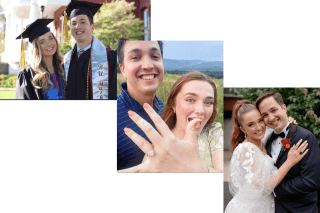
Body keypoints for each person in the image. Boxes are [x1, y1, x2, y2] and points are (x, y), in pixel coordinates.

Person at [225, 100, 308, 213]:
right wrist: (289, 162)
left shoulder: (264, 139)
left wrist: (288, 123)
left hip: (267, 206)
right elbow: (263, 188)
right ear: (242, 129)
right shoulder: (246, 150)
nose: (259, 127)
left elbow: (280, 131)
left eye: (260, 121)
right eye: (251, 125)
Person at [256, 91, 320, 213]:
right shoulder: (267, 140)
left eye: (274, 110)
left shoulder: (306, 137)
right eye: (264, 115)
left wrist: (271, 187)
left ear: (284, 108)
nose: (270, 118)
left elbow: (310, 181)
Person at [161, 71, 223, 172]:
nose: (201, 110)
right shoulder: (159, 141)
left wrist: (199, 169)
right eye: (190, 100)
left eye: (208, 102)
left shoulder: (213, 132)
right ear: (173, 104)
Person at [117, 40, 164, 170]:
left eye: (155, 56)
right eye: (135, 57)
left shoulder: (164, 108)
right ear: (123, 69)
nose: (148, 65)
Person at [63, 0, 117, 100]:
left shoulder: (109, 57)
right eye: (73, 23)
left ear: (92, 27)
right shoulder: (66, 59)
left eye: (82, 22)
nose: (77, 26)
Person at [15, 19, 66, 99]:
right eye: (42, 42)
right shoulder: (27, 75)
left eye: (51, 38)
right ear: (36, 48)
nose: (49, 44)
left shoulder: (63, 69)